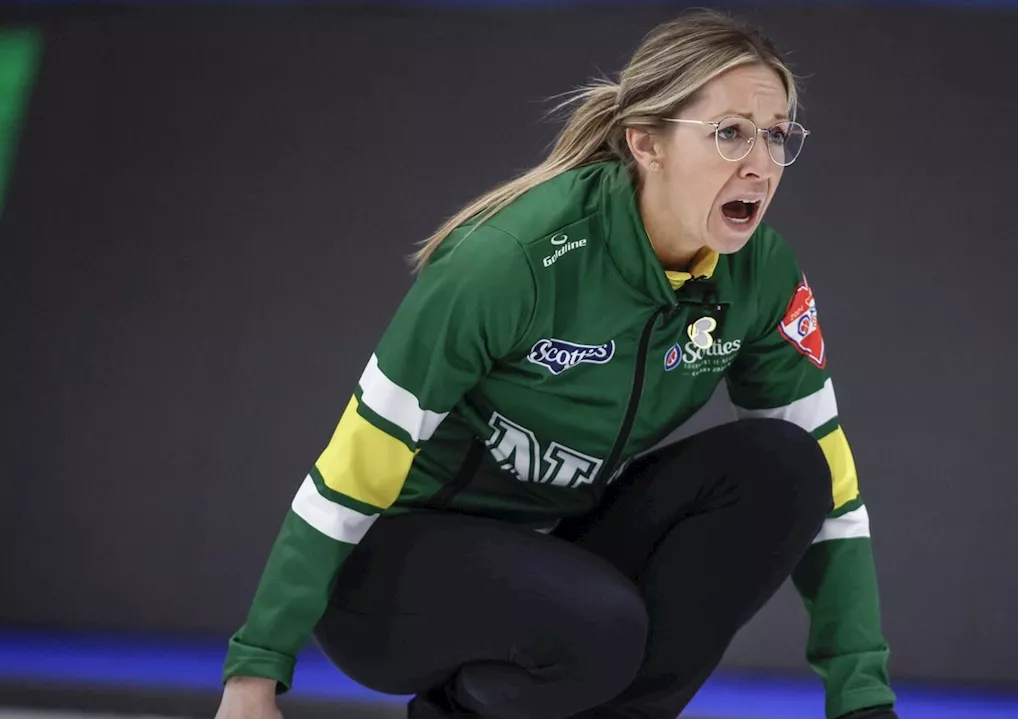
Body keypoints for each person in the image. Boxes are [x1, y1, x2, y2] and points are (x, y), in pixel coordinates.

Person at [215, 9, 896, 719]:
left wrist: (862, 700)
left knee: (783, 466)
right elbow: (355, 463)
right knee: (599, 626)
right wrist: (255, 671)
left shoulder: (760, 276)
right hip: (389, 574)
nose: (759, 163)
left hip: (556, 556)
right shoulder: (512, 260)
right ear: (646, 143)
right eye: (730, 132)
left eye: (777, 135)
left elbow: (835, 499)